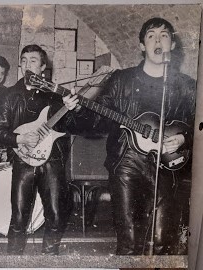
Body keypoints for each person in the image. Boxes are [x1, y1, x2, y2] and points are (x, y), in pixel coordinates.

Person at [63, 17, 196, 255]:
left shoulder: (186, 86)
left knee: (162, 238)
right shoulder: (120, 80)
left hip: (165, 165)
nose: (158, 40)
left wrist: (185, 137)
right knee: (129, 240)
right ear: (142, 46)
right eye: (151, 35)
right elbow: (95, 120)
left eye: (164, 35)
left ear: (173, 45)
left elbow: (199, 123)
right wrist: (78, 109)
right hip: (126, 162)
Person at [0, 44, 77, 255]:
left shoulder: (57, 95)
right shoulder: (9, 95)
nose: (27, 65)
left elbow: (74, 126)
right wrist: (20, 138)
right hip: (23, 160)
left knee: (56, 214)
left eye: (33, 61)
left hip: (53, 160)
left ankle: (49, 259)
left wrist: (75, 108)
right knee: (20, 216)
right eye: (24, 60)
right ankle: (13, 262)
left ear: (43, 67)